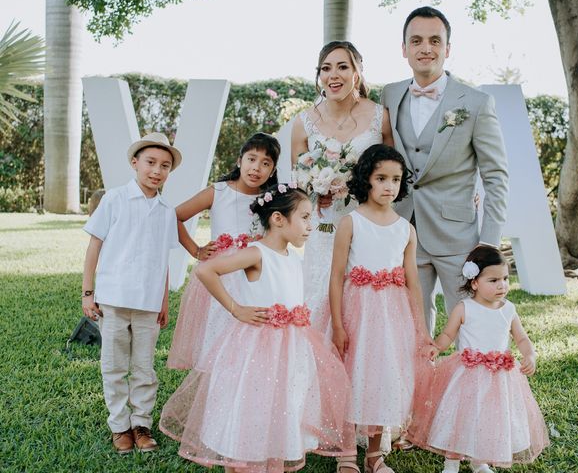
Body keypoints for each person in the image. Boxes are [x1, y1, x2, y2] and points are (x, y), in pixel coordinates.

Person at [160, 185, 357, 472]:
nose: (309, 226)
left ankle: (270, 457)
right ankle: (239, 460)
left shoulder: (293, 257)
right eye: (303, 218)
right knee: (252, 402)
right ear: (278, 219)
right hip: (258, 346)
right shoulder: (256, 253)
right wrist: (235, 308)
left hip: (290, 346)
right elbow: (206, 270)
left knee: (281, 402)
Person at [381, 6, 509, 336]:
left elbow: (496, 177)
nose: (426, 48)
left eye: (435, 40)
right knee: (412, 328)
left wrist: (489, 246)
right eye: (417, 40)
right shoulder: (390, 94)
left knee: (474, 327)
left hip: (459, 239)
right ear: (404, 48)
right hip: (404, 232)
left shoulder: (477, 103)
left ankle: (479, 387)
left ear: (448, 49)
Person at [329, 145, 433, 473]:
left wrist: (421, 328)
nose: (389, 186)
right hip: (355, 311)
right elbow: (336, 277)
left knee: (382, 377)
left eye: (396, 179)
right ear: (366, 180)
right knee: (352, 374)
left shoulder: (406, 229)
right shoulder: (351, 223)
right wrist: (337, 324)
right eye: (381, 178)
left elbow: (413, 282)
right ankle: (346, 451)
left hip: (392, 315)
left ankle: (375, 454)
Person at [81, 132, 182, 454]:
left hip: (148, 304)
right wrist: (87, 292)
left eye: (165, 165)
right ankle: (119, 426)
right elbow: (94, 245)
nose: (157, 170)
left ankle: (141, 424)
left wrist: (164, 302)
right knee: (113, 366)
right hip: (113, 299)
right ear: (135, 163)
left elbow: (162, 260)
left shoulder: (166, 210)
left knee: (144, 368)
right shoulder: (114, 199)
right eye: (151, 163)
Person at [407, 246, 549, 473]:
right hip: (468, 374)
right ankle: (451, 462)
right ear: (475, 283)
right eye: (493, 280)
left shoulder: (508, 309)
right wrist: (437, 347)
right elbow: (448, 334)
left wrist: (529, 353)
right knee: (461, 417)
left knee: (488, 419)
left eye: (505, 279)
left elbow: (521, 338)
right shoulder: (465, 308)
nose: (501, 285)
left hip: (498, 377)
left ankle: (479, 460)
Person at [291, 41, 394, 327]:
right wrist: (315, 192)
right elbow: (299, 183)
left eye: (342, 67)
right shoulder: (304, 123)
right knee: (320, 297)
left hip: (368, 225)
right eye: (326, 68)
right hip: (324, 229)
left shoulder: (380, 117)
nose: (333, 75)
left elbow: (392, 173)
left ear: (357, 72)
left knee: (364, 302)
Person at [167, 132, 280, 369]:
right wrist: (195, 251)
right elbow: (174, 217)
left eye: (265, 163)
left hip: (255, 274)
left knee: (250, 335)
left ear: (272, 170)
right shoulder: (219, 192)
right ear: (240, 161)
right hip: (221, 276)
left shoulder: (271, 199)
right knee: (217, 332)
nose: (256, 168)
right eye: (251, 159)